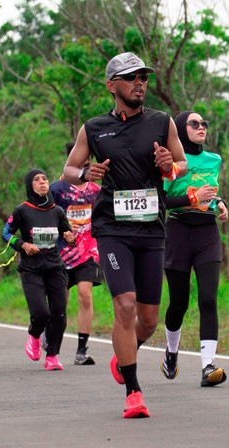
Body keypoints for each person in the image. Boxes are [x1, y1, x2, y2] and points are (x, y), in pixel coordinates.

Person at [63, 52, 188, 418]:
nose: (140, 83)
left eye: (143, 77)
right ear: (112, 85)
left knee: (147, 320)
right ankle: (133, 392)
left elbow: (181, 163)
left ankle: (123, 357)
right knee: (125, 305)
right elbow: (69, 169)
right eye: (132, 77)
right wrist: (86, 174)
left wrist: (170, 166)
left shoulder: (162, 122)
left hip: (151, 229)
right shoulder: (94, 128)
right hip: (112, 229)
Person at [161, 110, 229, 387]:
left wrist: (219, 202)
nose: (202, 127)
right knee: (179, 303)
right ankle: (171, 353)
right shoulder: (172, 163)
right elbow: (162, 200)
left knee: (208, 299)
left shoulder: (214, 160)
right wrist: (192, 198)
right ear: (180, 129)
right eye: (194, 123)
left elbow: (209, 190)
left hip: (207, 233)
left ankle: (207, 366)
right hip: (177, 231)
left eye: (204, 124)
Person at [2, 168, 75, 371]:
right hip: (31, 269)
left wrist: (70, 238)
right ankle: (34, 335)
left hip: (55, 268)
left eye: (44, 179)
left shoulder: (57, 211)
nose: (43, 182)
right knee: (41, 313)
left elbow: (68, 235)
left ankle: (52, 356)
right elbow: (6, 233)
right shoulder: (22, 210)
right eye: (37, 179)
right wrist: (23, 245)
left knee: (59, 313)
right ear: (30, 186)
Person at [50, 142, 103, 366]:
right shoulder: (56, 189)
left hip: (88, 251)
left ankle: (81, 351)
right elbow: (45, 217)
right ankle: (50, 336)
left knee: (85, 295)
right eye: (82, 159)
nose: (86, 162)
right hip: (60, 252)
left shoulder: (96, 191)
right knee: (59, 302)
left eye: (89, 158)